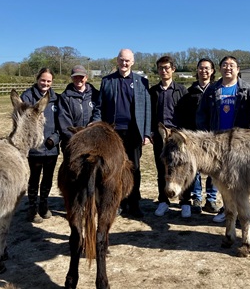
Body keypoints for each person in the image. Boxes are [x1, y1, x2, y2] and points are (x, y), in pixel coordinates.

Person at [196, 56, 250, 223]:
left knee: (236, 180)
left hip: (238, 145)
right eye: (225, 65)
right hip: (217, 143)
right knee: (221, 178)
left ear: (238, 69)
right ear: (220, 69)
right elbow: (201, 114)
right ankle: (227, 208)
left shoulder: (247, 90)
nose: (228, 68)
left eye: (232, 65)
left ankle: (235, 210)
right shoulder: (212, 90)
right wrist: (204, 136)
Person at [90, 48, 151, 218]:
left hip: (134, 132)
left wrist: (146, 133)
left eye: (127, 60)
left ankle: (134, 203)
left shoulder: (142, 82)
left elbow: (147, 109)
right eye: (121, 60)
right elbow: (99, 107)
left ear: (132, 62)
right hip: (113, 133)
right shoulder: (107, 81)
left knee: (134, 168)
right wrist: (96, 124)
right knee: (114, 169)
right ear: (117, 60)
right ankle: (118, 202)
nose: (124, 63)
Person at [174, 58, 220, 217]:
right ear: (197, 71)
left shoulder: (217, 90)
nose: (204, 71)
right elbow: (181, 115)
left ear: (212, 71)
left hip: (213, 137)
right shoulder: (189, 93)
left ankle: (211, 199)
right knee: (195, 170)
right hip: (194, 138)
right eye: (201, 68)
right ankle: (196, 198)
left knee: (213, 170)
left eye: (207, 68)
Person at [149, 55, 188, 217]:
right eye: (160, 68)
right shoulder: (153, 91)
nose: (163, 71)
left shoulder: (181, 90)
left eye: (166, 68)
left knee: (181, 169)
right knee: (161, 169)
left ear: (173, 69)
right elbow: (149, 114)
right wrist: (151, 132)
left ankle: (185, 202)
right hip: (160, 136)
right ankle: (163, 201)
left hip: (178, 137)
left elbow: (188, 115)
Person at [20, 68, 60, 223]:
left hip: (51, 146)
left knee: (48, 178)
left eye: (49, 81)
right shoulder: (27, 97)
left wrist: (55, 139)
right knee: (34, 177)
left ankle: (44, 204)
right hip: (35, 147)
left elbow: (61, 121)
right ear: (38, 79)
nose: (45, 83)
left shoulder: (56, 98)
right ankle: (32, 207)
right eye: (43, 80)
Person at [57, 64, 99, 152]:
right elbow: (64, 123)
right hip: (72, 142)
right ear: (72, 78)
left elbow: (99, 113)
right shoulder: (65, 97)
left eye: (81, 77)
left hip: (92, 141)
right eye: (75, 77)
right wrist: (77, 140)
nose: (78, 79)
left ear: (86, 78)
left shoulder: (96, 95)